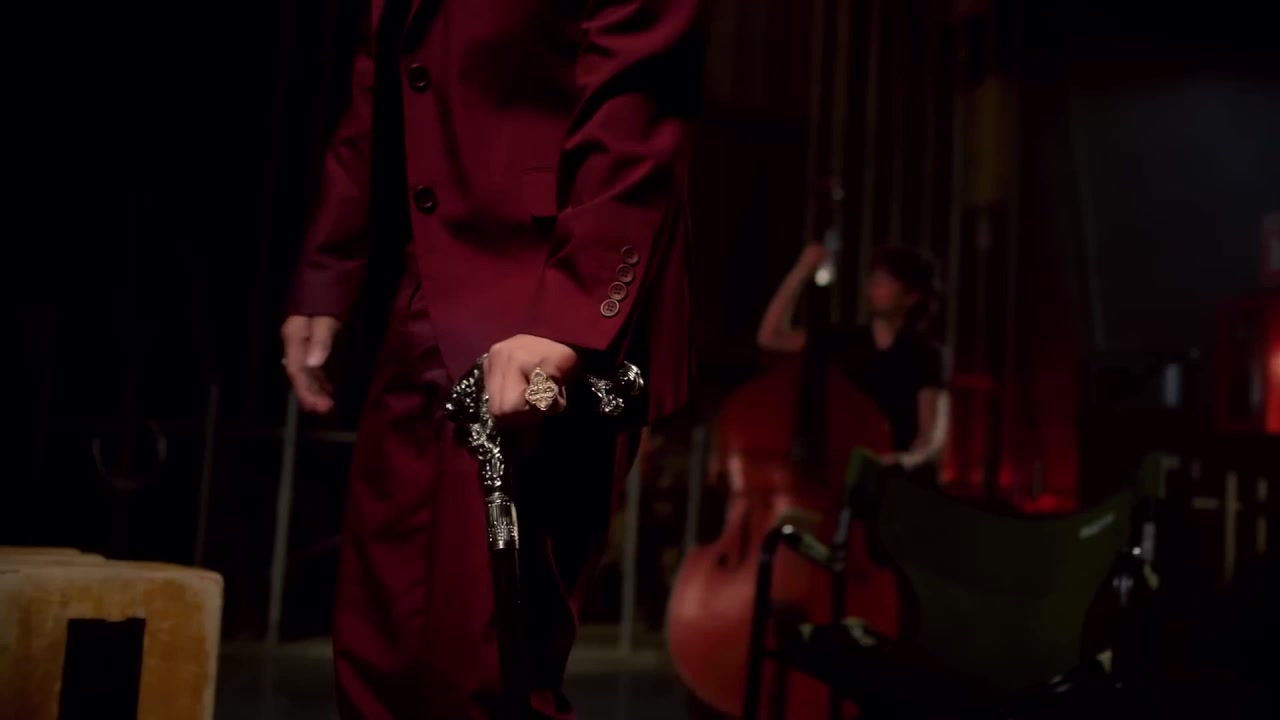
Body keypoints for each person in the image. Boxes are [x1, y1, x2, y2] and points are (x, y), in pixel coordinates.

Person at [279, 2, 704, 718]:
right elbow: (381, 76)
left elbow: (636, 106)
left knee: (485, 670)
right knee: (377, 654)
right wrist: (329, 265)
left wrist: (568, 320)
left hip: (541, 295)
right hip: (423, 292)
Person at [757, 243, 948, 471]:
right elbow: (770, 337)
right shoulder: (844, 339)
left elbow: (927, 435)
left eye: (886, 280)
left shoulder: (925, 355)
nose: (873, 285)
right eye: (874, 278)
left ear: (911, 296)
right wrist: (801, 270)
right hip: (837, 466)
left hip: (890, 474)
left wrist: (900, 461)